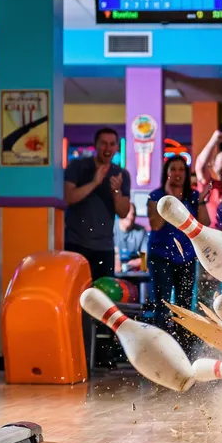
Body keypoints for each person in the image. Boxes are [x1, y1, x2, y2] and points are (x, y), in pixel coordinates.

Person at [146, 156, 209, 343]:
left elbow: (205, 224)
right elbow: (156, 225)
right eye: (173, 169)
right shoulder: (156, 196)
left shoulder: (193, 196)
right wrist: (169, 199)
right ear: (166, 173)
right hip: (160, 255)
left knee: (185, 306)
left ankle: (184, 346)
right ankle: (161, 345)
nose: (177, 173)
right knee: (162, 304)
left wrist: (202, 202)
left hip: (186, 256)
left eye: (181, 169)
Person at [64, 128, 131, 279]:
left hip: (104, 247)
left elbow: (123, 213)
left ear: (116, 147)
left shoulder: (121, 175)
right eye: (104, 143)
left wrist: (116, 191)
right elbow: (68, 197)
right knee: (75, 290)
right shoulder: (77, 166)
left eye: (112, 144)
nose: (108, 148)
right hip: (76, 245)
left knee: (102, 293)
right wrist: (95, 182)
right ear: (95, 145)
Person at [113, 205, 147, 272]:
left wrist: (133, 264)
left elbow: (144, 258)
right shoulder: (111, 228)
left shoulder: (141, 231)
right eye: (127, 212)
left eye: (133, 214)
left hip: (134, 271)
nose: (130, 217)